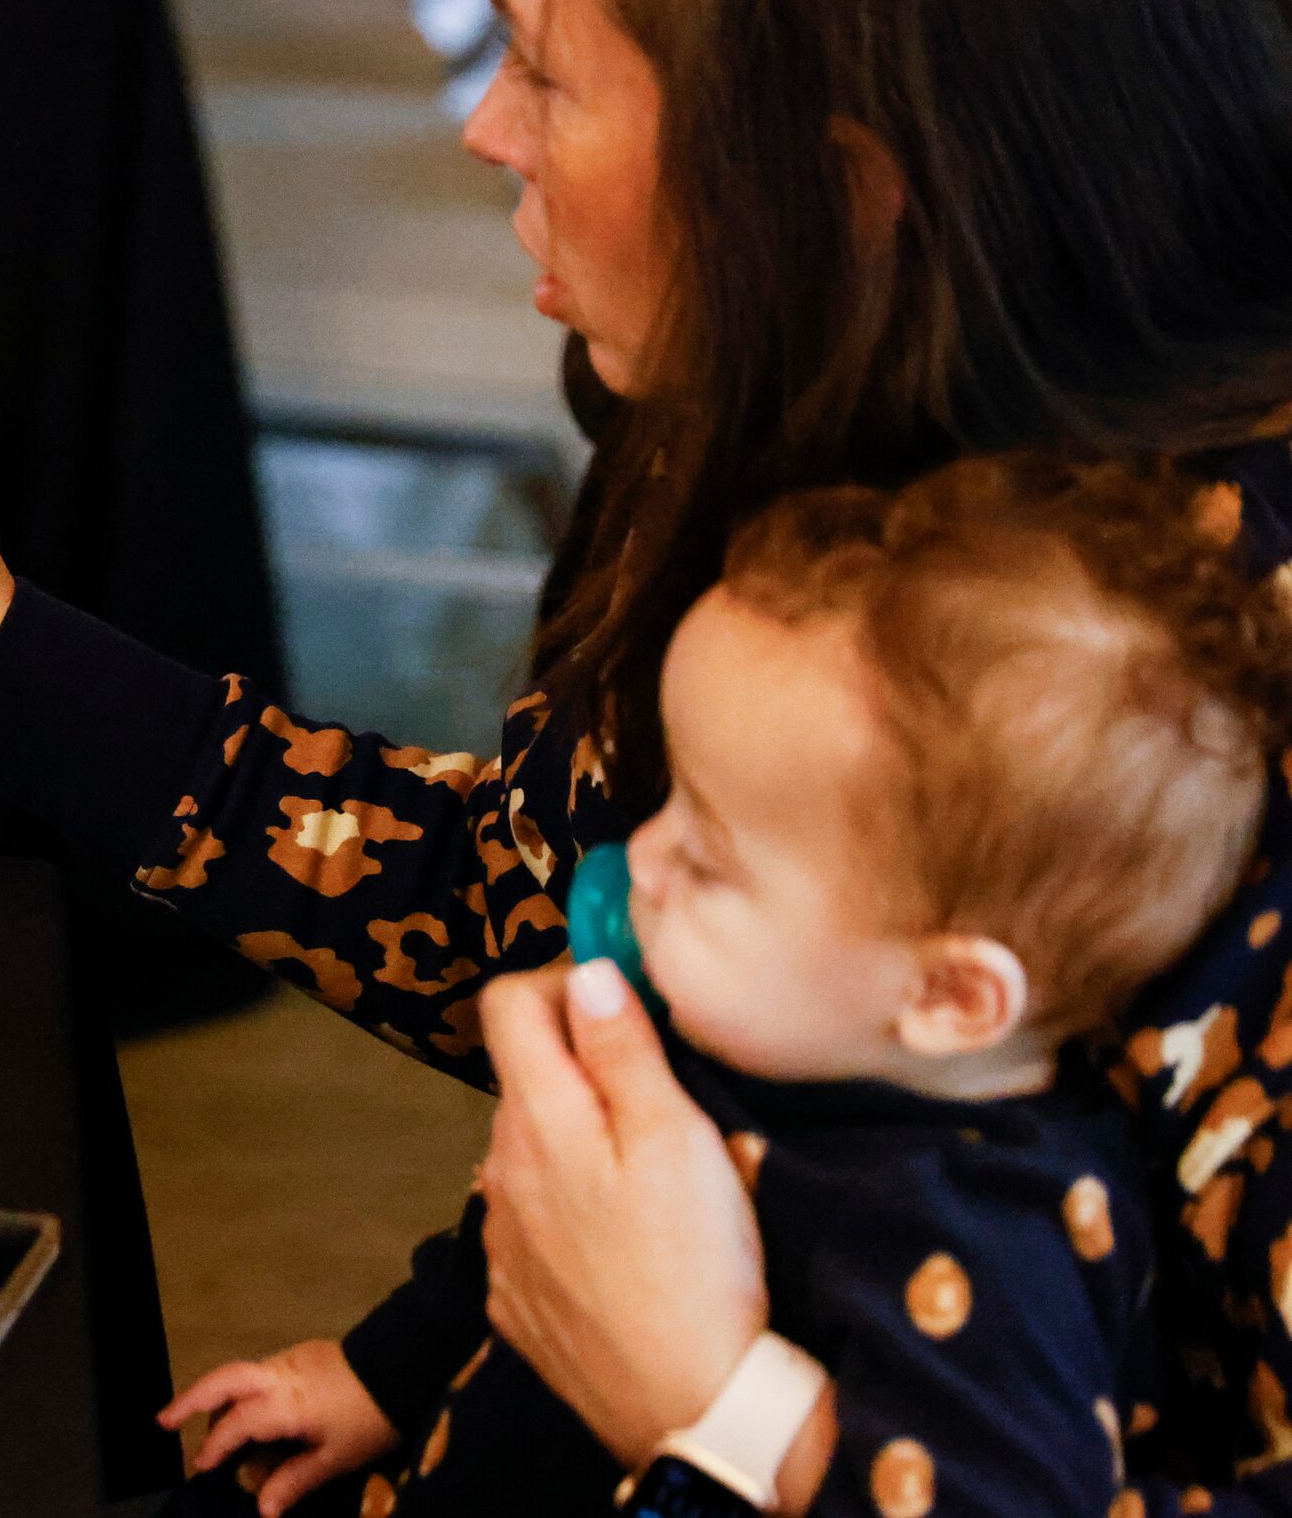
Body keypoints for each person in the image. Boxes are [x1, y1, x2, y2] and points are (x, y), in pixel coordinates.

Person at [0, 0, 1292, 1507]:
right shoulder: (755, 403)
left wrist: (717, 1403)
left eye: (543, 68)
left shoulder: (1216, 693)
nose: (483, 129)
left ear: (838, 199)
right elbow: (563, 915)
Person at [156, 455, 1289, 1516]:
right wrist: (377, 1378)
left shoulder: (991, 1236)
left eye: (709, 860)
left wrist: (742, 1409)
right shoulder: (739, 1026)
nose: (637, 861)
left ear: (948, 998)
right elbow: (530, 1234)